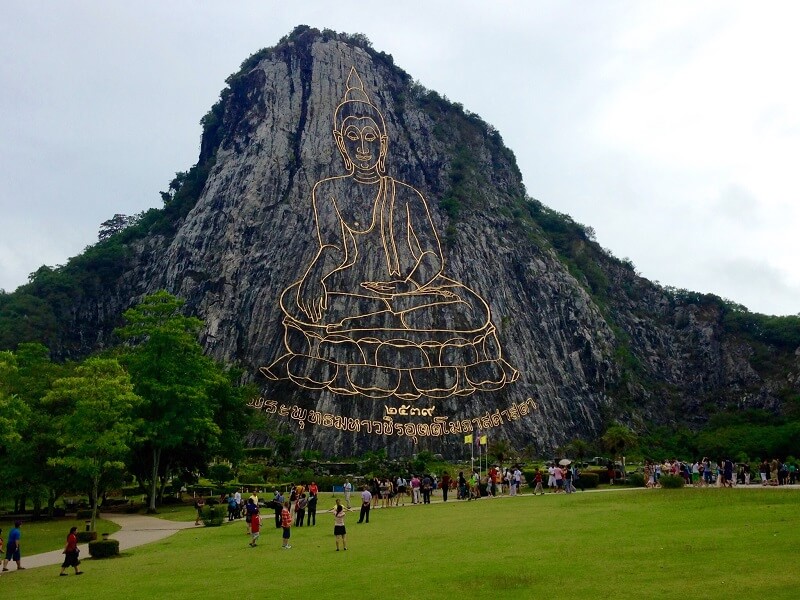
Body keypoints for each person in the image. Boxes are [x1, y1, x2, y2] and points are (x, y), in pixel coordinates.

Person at [262, 67, 518, 399]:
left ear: (382, 143)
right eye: (352, 137)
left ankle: (365, 336)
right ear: (340, 141)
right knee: (305, 302)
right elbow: (334, 247)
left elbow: (431, 255)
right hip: (354, 289)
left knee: (468, 309)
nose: (362, 148)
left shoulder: (407, 195)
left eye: (370, 138)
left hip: (409, 291)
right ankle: (379, 336)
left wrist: (408, 286)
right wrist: (315, 275)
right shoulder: (328, 190)